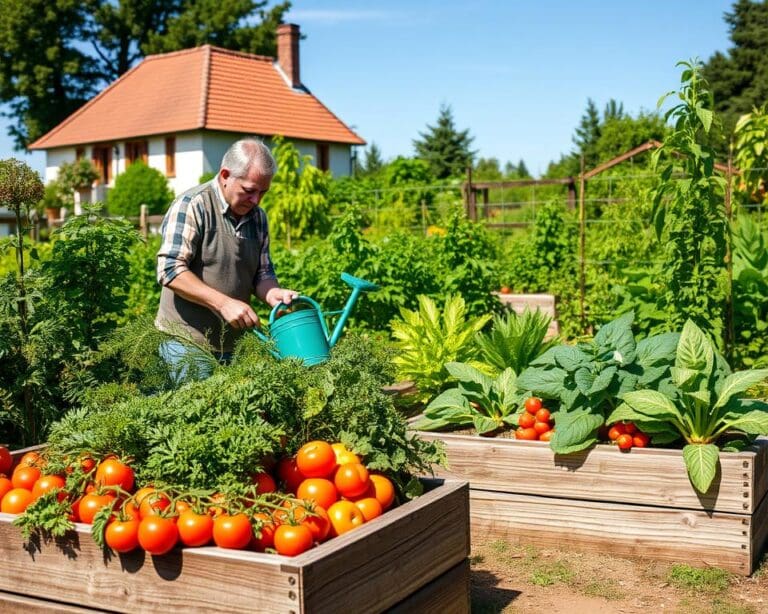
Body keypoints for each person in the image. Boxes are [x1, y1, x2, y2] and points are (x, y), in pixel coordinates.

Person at [155, 137, 297, 380]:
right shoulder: (193, 205)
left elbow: (262, 273)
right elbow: (169, 270)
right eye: (250, 191)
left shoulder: (258, 217)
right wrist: (223, 303)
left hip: (235, 345)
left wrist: (272, 293)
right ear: (224, 176)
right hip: (186, 344)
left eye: (263, 192)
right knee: (195, 413)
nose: (257, 200)